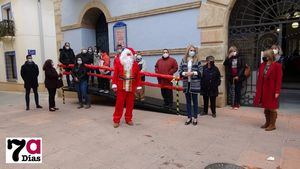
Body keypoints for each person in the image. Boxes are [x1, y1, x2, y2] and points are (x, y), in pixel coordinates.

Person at [112, 47, 142, 128]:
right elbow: (115, 75)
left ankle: (128, 118)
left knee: (130, 104)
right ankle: (116, 119)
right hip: (121, 86)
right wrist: (114, 84)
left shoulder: (135, 64)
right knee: (119, 104)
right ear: (123, 55)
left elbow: (138, 76)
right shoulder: (119, 62)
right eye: (127, 54)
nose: (128, 56)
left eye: (130, 55)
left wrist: (139, 86)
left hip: (131, 86)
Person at [254, 49, 282, 131]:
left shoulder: (277, 66)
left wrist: (277, 91)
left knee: (272, 107)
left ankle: (272, 124)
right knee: (266, 107)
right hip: (263, 89)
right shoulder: (263, 65)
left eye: (265, 55)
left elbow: (279, 79)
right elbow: (260, 77)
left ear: (269, 56)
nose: (264, 57)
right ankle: (267, 122)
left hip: (272, 90)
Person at [179, 45, 202, 125]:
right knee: (188, 102)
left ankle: (195, 118)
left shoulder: (197, 60)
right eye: (191, 50)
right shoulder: (183, 60)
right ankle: (189, 117)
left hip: (194, 84)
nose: (192, 52)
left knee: (195, 102)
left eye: (193, 50)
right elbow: (180, 70)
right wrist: (185, 73)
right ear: (188, 51)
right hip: (186, 84)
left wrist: (193, 73)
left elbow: (201, 71)